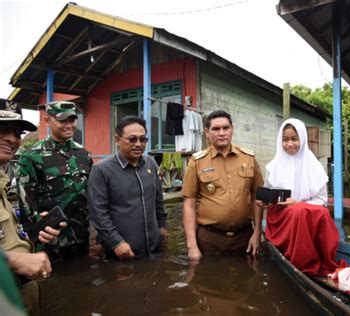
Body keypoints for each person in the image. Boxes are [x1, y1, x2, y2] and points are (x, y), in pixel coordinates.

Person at [0, 98, 62, 315]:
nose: (11, 138)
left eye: (17, 133)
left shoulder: (2, 184)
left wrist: (32, 235)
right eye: (2, 129)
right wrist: (13, 260)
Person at [261, 118, 344, 276]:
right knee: (297, 212)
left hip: (305, 212)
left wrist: (298, 203)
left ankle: (324, 258)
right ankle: (302, 261)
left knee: (321, 213)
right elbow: (268, 193)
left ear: (303, 139)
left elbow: (321, 201)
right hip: (281, 216)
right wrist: (264, 201)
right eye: (285, 140)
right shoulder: (273, 166)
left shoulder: (314, 166)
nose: (289, 144)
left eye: (294, 138)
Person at [182, 110, 263, 261]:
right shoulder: (197, 161)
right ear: (207, 132)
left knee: (246, 281)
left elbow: (256, 197)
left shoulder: (249, 159)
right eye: (216, 129)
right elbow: (189, 204)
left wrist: (257, 232)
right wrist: (192, 246)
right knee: (208, 282)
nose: (222, 133)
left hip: (244, 237)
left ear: (232, 129)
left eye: (226, 128)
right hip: (209, 239)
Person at [17, 101, 92, 259]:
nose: (69, 125)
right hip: (51, 240)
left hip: (81, 236)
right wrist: (36, 242)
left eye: (72, 120)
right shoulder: (31, 156)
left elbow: (91, 194)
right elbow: (27, 205)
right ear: (47, 120)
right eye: (62, 120)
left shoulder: (83, 154)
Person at [88, 116, 167, 259]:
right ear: (118, 140)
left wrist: (162, 228)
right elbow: (98, 212)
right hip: (122, 252)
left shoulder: (150, 164)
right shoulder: (102, 170)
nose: (138, 144)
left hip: (154, 247)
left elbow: (158, 200)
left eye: (143, 139)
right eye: (132, 139)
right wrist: (116, 242)